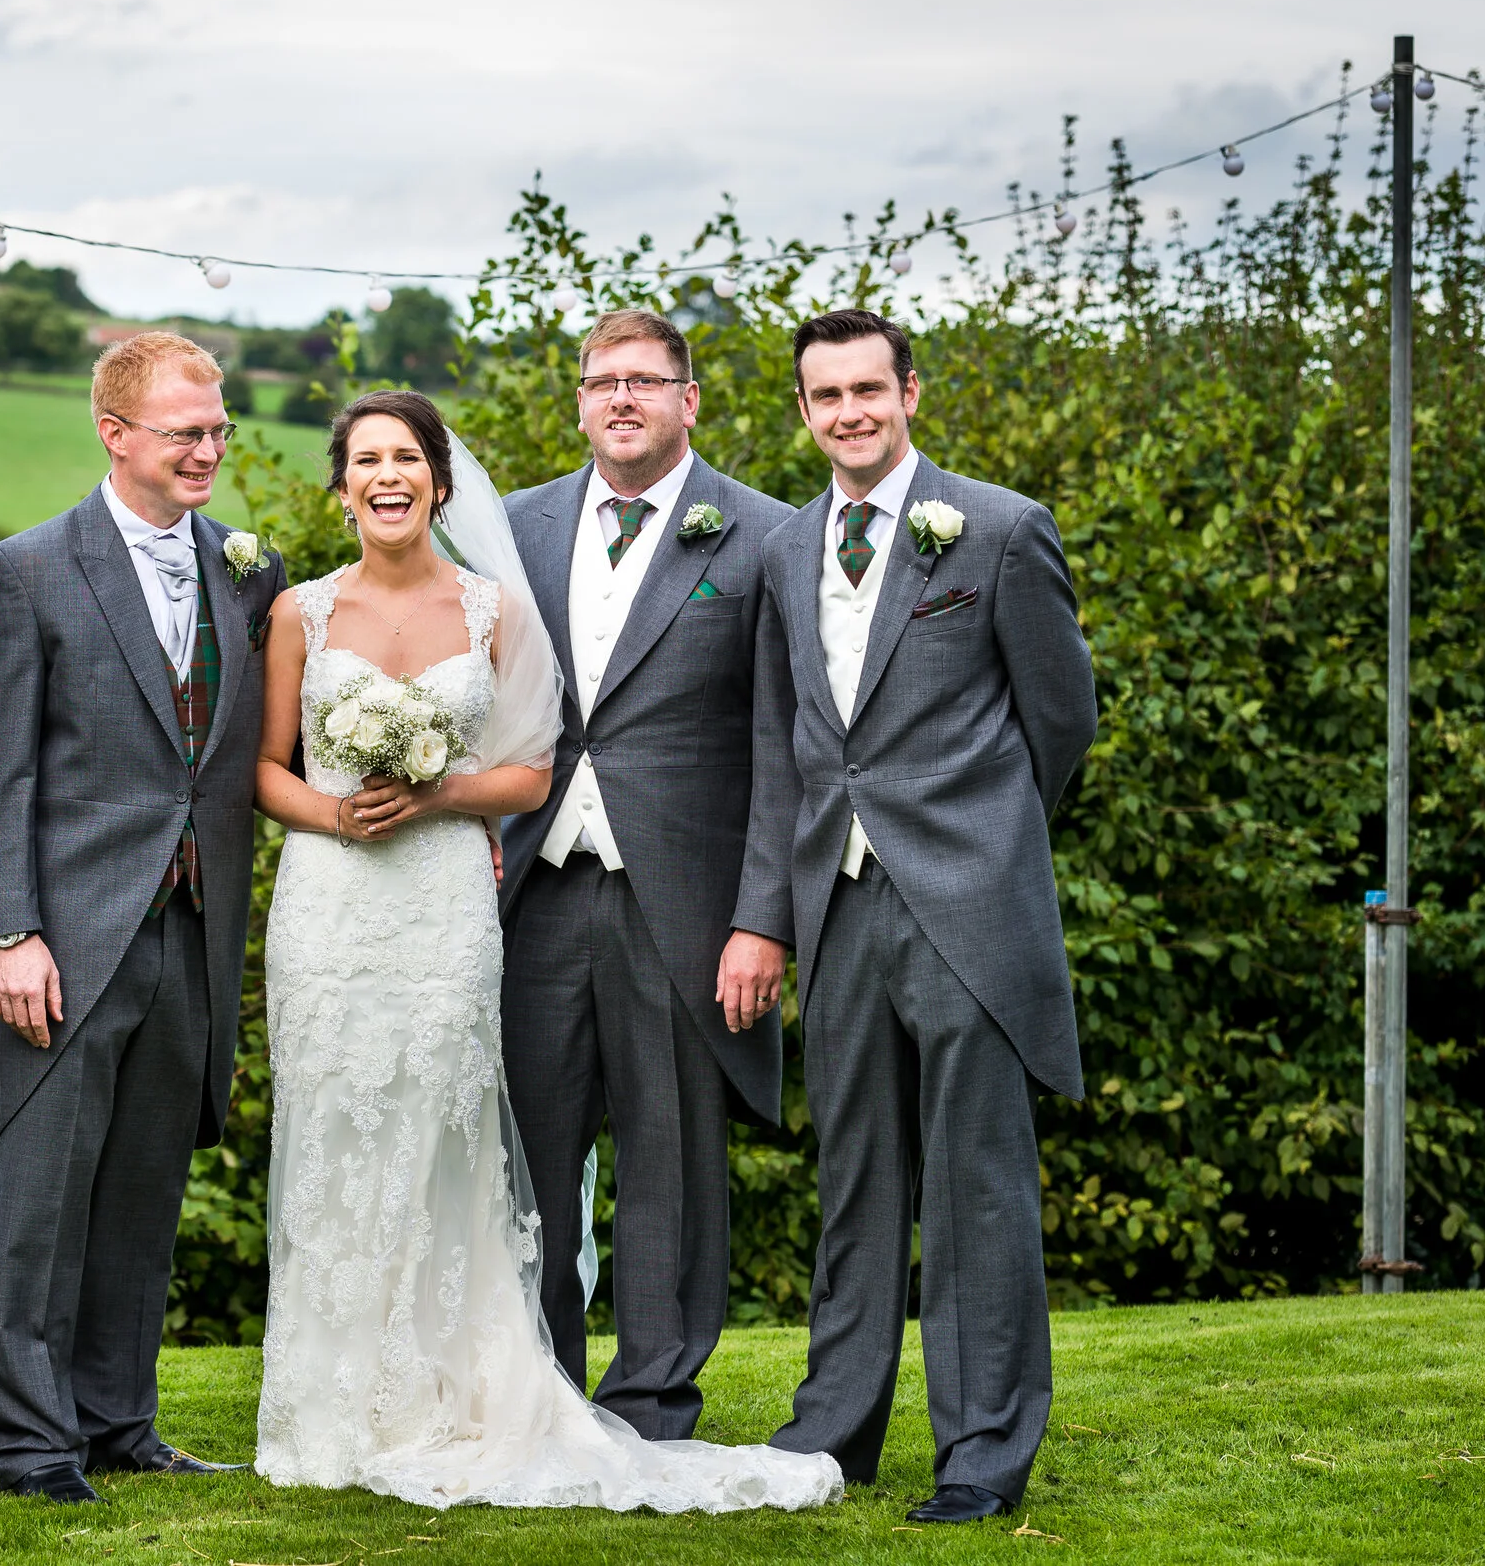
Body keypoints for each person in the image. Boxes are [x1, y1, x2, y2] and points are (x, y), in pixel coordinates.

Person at [251, 387, 842, 1514]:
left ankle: (594, 1392)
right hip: (341, 906)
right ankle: (337, 1396)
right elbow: (264, 766)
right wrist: (333, 815)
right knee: (340, 1135)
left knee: (462, 1137)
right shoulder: (301, 610)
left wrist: (436, 791)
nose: (388, 475)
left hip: (464, 898)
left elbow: (534, 760)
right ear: (341, 485)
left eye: (407, 457)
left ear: (436, 475)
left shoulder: (495, 599)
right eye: (365, 459)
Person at [737, 308, 1097, 1524]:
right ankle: (834, 1431)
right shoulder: (786, 551)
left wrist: (982, 839)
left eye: (867, 391)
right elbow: (788, 744)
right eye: (825, 394)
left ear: (909, 395)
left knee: (976, 1184)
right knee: (855, 1181)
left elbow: (1062, 722)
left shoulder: (995, 529)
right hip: (834, 906)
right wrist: (777, 910)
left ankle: (983, 1453)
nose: (848, 412)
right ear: (802, 409)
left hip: (966, 905)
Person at [0, 332, 287, 1504]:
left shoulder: (253, 570)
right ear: (115, 433)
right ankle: (33, 1446)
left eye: (217, 430)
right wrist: (9, 932)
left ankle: (115, 1420)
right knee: (41, 1204)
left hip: (193, 929)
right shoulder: (27, 570)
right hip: (65, 937)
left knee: (144, 1190)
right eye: (184, 431)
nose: (207, 449)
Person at [495, 309, 795, 1438]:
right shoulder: (512, 528)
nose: (622, 399)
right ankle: (540, 1390)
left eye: (646, 382)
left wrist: (762, 917)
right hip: (532, 893)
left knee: (671, 1162)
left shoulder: (765, 536)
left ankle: (654, 1396)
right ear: (577, 400)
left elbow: (789, 743)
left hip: (686, 904)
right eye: (601, 382)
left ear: (690, 399)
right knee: (524, 1154)